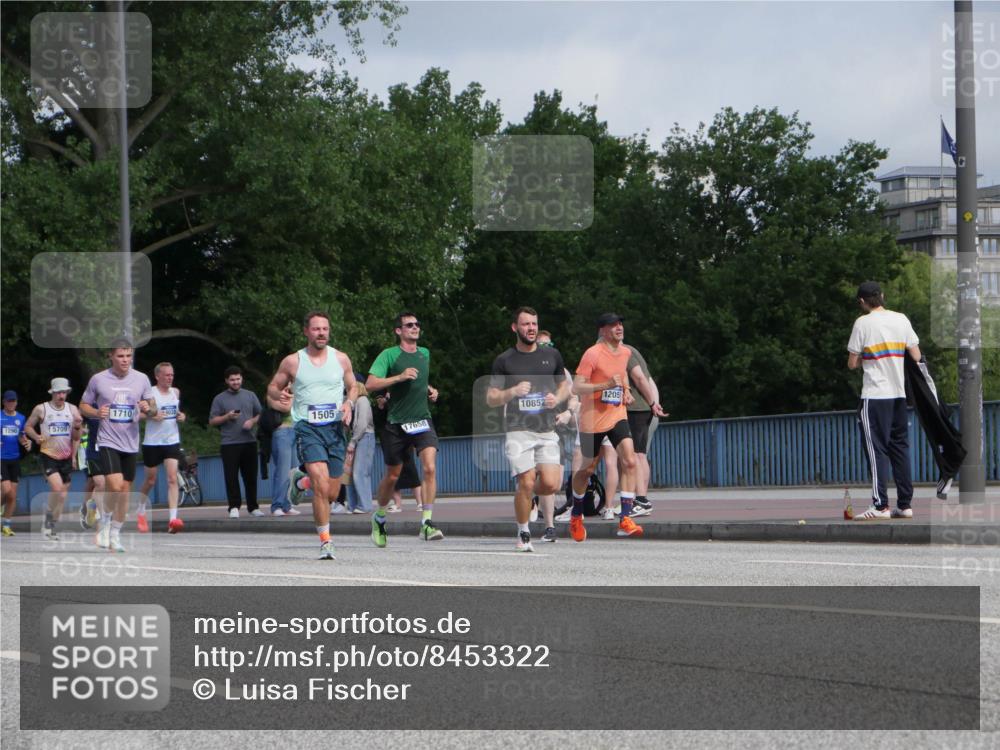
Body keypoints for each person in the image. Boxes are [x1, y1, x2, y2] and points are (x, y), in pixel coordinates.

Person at [268, 311, 357, 560]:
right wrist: (279, 396)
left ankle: (300, 481)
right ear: (306, 331)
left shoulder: (341, 359)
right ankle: (326, 541)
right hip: (307, 428)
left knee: (331, 492)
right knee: (321, 485)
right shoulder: (293, 361)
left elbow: (353, 386)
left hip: (336, 428)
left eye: (325, 329)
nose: (321, 333)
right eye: (316, 329)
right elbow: (272, 387)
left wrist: (349, 403)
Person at [568, 313, 665, 542]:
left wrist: (626, 391)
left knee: (630, 460)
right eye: (613, 325)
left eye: (620, 324)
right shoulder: (592, 354)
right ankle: (576, 513)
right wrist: (606, 385)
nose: (619, 328)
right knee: (587, 470)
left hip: (617, 416)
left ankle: (625, 518)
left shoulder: (626, 353)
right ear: (602, 330)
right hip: (592, 420)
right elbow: (576, 387)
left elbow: (621, 377)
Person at [488, 307, 571, 551]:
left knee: (551, 485)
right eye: (526, 324)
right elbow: (492, 398)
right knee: (526, 481)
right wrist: (512, 391)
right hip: (518, 429)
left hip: (546, 430)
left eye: (534, 323)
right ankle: (523, 532)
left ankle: (523, 495)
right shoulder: (505, 360)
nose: (531, 328)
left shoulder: (552, 355)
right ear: (515, 328)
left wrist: (557, 399)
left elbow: (565, 386)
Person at [366, 312, 442, 547]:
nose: (415, 328)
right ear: (398, 330)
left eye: (417, 324)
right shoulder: (389, 355)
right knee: (392, 475)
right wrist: (398, 377)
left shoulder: (424, 353)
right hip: (396, 423)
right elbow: (370, 384)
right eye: (409, 325)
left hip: (422, 420)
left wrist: (430, 390)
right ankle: (379, 518)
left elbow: (418, 380)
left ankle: (427, 523)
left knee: (429, 467)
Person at [847, 281, 921, 520]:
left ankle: (880, 506)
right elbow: (916, 355)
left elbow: (852, 363)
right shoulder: (901, 319)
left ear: (862, 301)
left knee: (876, 449)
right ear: (882, 296)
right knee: (900, 448)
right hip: (899, 395)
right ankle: (905, 504)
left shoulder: (862, 323)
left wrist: (867, 357)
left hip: (875, 395)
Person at [80, 343, 157, 553]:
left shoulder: (141, 379)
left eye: (129, 356)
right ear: (111, 356)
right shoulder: (98, 379)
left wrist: (148, 408)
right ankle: (104, 522)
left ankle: (115, 533)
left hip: (130, 443)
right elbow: (83, 406)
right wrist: (97, 413)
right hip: (107, 440)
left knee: (124, 492)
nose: (125, 360)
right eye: (121, 356)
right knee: (114, 485)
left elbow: (153, 409)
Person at [25, 378, 83, 541]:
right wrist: (36, 436)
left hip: (65, 457)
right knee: (57, 489)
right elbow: (27, 426)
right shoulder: (41, 409)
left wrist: (78, 426)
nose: (61, 395)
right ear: (52, 392)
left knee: (63, 496)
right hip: (48, 455)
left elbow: (76, 437)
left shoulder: (73, 410)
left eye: (64, 392)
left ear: (67, 393)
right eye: (58, 392)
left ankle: (50, 525)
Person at [137, 362, 187, 533]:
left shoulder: (175, 392)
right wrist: (152, 416)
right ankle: (141, 510)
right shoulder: (150, 394)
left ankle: (173, 520)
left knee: (172, 478)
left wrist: (182, 416)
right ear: (157, 376)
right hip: (152, 442)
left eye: (172, 375)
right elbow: (138, 414)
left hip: (171, 440)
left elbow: (177, 412)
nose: (170, 378)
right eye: (166, 375)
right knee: (150, 480)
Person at [209, 366, 263, 518]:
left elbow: (261, 414)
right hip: (229, 443)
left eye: (238, 379)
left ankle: (253, 507)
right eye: (232, 379)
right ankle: (234, 506)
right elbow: (212, 420)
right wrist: (226, 417)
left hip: (249, 441)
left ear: (242, 379)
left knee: (251, 476)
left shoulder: (250, 395)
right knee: (231, 476)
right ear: (227, 381)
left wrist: (252, 421)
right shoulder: (219, 399)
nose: (235, 382)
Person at [623, 342, 666, 517]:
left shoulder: (624, 352)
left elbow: (640, 378)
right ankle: (639, 499)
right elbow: (646, 379)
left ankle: (641, 500)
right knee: (639, 454)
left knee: (635, 455)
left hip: (636, 409)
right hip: (643, 409)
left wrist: (652, 404)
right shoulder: (631, 350)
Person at [264, 385, 301, 517]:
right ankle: (277, 505)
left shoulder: (290, 395)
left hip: (295, 431)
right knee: (282, 471)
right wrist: (294, 396)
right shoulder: (272, 396)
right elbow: (286, 408)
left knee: (293, 471)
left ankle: (287, 505)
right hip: (282, 432)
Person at [1, 391, 30, 537]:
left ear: (16, 402)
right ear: (4, 402)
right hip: (1, 459)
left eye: (13, 401)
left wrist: (25, 442)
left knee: (12, 496)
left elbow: (21, 435)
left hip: (15, 459)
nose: (11, 403)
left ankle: (6, 525)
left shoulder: (20, 418)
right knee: (6, 491)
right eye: (8, 401)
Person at [346, 382, 376, 514]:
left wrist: (352, 442)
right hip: (360, 437)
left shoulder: (362, 401)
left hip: (364, 437)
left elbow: (362, 423)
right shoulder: (356, 402)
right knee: (351, 474)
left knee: (360, 472)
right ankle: (353, 505)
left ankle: (365, 505)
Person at [77, 416, 105, 531]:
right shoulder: (88, 413)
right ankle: (89, 509)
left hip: (102, 454)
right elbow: (75, 434)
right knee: (93, 482)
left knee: (100, 483)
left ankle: (89, 507)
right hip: (86, 457)